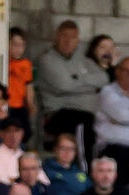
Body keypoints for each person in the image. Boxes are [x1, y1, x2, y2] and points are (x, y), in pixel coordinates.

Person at [37, 21, 108, 158]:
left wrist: (77, 79)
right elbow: (64, 85)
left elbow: (103, 78)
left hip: (87, 114)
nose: (68, 41)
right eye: (65, 36)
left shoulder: (83, 61)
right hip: (58, 114)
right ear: (57, 36)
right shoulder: (47, 60)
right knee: (83, 123)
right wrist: (89, 84)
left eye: (73, 37)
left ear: (78, 40)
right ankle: (85, 171)